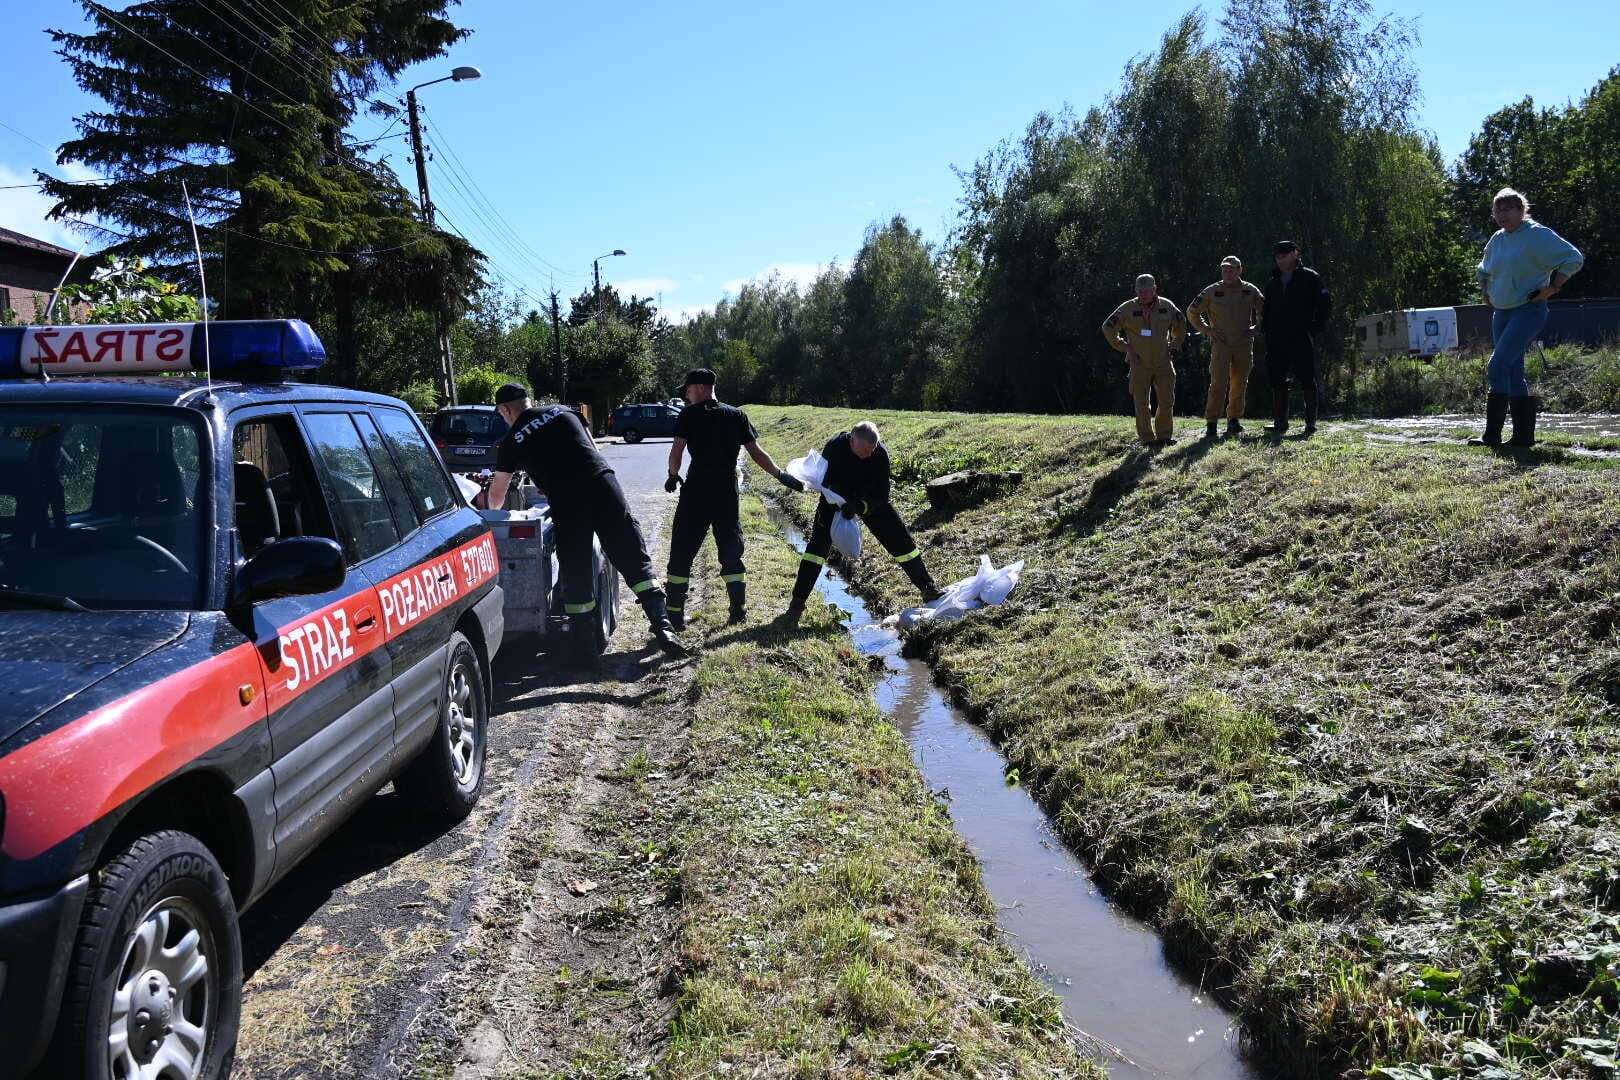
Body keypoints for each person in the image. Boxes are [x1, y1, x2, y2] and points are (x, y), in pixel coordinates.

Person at [484, 383, 687, 657]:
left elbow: (497, 493)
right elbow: (592, 450)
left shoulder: (513, 440)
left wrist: (492, 520)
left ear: (506, 409)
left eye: (502, 414)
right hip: (603, 484)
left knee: (576, 567)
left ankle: (585, 649)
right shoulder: (564, 412)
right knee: (631, 555)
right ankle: (663, 628)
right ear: (529, 401)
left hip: (568, 500)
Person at [664, 367, 804, 629]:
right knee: (731, 549)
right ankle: (738, 611)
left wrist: (672, 475)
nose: (687, 395)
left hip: (696, 491)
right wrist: (780, 475)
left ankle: (673, 615)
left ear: (703, 388)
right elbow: (757, 453)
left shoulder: (689, 415)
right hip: (726, 492)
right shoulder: (736, 415)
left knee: (683, 548)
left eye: (689, 389)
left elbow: (677, 452)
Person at [783, 421, 942, 624]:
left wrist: (861, 506)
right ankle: (797, 602)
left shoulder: (880, 455)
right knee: (817, 548)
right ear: (852, 440)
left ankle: (927, 587)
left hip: (867, 499)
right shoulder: (835, 447)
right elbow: (823, 479)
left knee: (900, 540)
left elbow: (882, 494)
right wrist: (840, 502)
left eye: (871, 450)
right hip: (835, 499)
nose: (868, 454)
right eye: (864, 450)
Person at [1471, 187, 1584, 448]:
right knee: (1512, 372)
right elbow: (1484, 269)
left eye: (1508, 209)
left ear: (1522, 210)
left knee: (1496, 366)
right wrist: (1485, 291)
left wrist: (1553, 287)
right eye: (1498, 210)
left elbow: (1573, 257)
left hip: (1528, 310)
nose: (1502, 214)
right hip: (1501, 312)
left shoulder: (1537, 235)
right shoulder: (1497, 239)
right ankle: (1521, 438)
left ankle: (1491, 436)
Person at [1101, 274, 1186, 445]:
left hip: (1163, 362)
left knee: (1166, 401)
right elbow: (1108, 328)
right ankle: (1146, 438)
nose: (1143, 294)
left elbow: (1181, 323)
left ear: (1154, 289)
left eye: (1147, 291)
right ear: (1136, 290)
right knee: (1141, 403)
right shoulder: (1127, 308)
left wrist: (1175, 343)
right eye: (1140, 291)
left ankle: (1164, 436)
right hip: (1139, 363)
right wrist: (1125, 346)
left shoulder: (1166, 306)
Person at [1188, 256, 1265, 438]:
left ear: (1240, 270)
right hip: (1221, 344)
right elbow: (1192, 312)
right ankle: (1212, 422)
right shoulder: (1212, 291)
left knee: (1239, 383)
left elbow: (1265, 308)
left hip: (1243, 344)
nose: (1227, 273)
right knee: (1218, 384)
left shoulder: (1249, 289)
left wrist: (1258, 327)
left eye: (1231, 270)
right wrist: (1208, 330)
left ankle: (1234, 420)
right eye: (1224, 270)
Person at [1260, 241, 1331, 436]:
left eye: (1284, 255)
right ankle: (1280, 422)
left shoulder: (1310, 277)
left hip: (1300, 336)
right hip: (1275, 338)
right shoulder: (1273, 280)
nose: (1280, 260)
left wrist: (1314, 328)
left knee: (1307, 378)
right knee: (1277, 379)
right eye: (1277, 256)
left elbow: (1325, 304)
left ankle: (1310, 423)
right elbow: (1267, 309)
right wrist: (1264, 328)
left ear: (1295, 254)